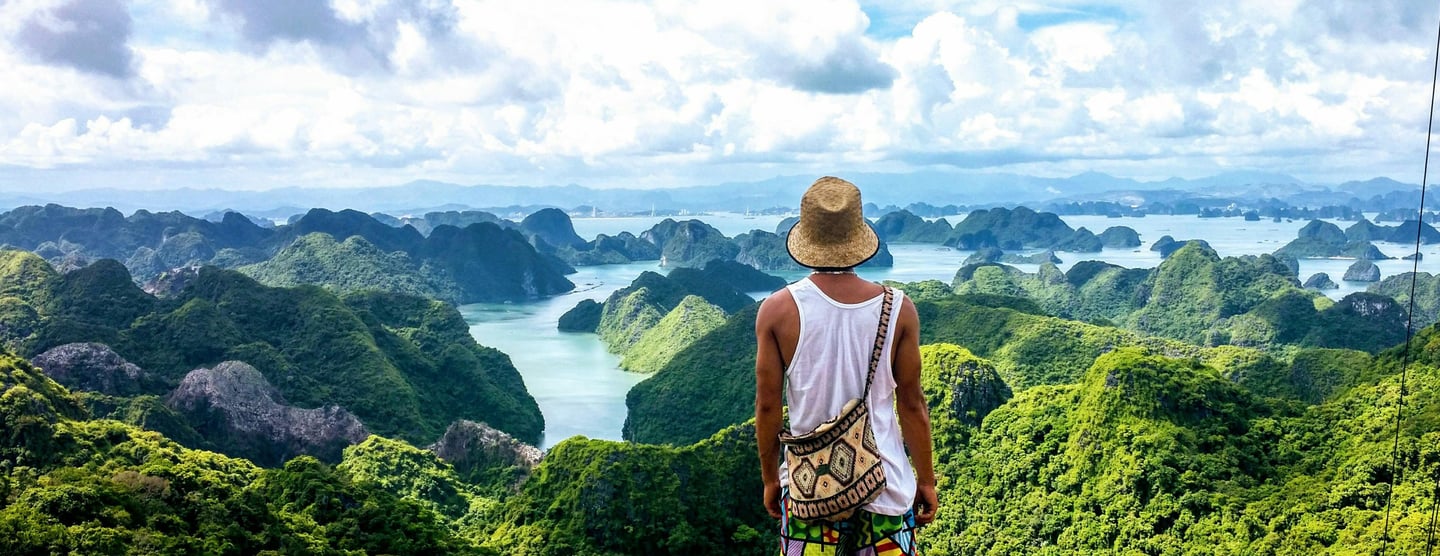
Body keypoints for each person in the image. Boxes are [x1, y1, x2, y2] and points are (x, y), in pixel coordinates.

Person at [755, 176, 938, 555]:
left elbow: (768, 406)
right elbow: (913, 405)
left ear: (806, 239)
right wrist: (926, 480)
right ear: (859, 239)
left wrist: (771, 478)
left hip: (809, 492)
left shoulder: (776, 310)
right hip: (887, 489)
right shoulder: (898, 309)